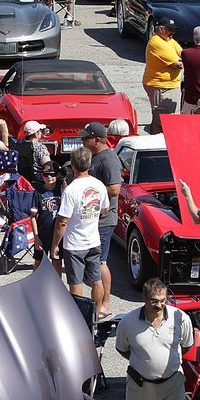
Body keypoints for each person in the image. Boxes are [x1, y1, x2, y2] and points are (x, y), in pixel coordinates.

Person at [51, 147, 108, 306]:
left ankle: (80, 317)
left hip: (75, 244)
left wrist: (55, 245)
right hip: (93, 240)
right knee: (96, 280)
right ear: (89, 165)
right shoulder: (99, 185)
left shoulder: (71, 190)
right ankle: (95, 316)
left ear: (73, 166)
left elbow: (62, 222)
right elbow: (104, 209)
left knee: (76, 283)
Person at [82, 122, 120, 321]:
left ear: (96, 140)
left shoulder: (109, 160)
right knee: (95, 261)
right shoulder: (96, 156)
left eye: (85, 138)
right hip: (94, 218)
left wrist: (88, 186)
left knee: (101, 262)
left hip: (105, 220)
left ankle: (105, 303)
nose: (82, 141)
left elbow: (115, 189)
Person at [143, 17, 183, 133]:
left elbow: (182, 53)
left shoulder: (168, 40)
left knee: (165, 118)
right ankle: (156, 143)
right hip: (160, 86)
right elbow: (178, 64)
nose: (173, 32)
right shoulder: (157, 42)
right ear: (160, 29)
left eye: (173, 29)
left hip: (167, 86)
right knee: (160, 120)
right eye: (170, 29)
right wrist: (185, 61)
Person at [31, 161, 63, 274]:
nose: (49, 177)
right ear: (42, 176)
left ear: (57, 175)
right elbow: (33, 217)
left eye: (52, 174)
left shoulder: (62, 189)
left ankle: (56, 287)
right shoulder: (38, 192)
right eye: (46, 174)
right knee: (38, 263)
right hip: (43, 234)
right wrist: (36, 237)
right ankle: (35, 288)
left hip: (58, 234)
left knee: (57, 262)